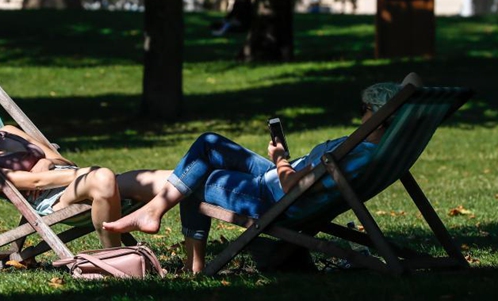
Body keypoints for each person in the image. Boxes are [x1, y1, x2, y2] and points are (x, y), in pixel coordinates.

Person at [104, 82, 403, 273]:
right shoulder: (378, 151)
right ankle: (155, 214)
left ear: (376, 116)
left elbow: (293, 187)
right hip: (278, 184)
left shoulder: (355, 154)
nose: (361, 114)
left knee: (200, 178)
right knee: (209, 143)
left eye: (364, 109)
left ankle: (188, 259)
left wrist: (279, 158)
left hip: (274, 197)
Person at [0, 88, 170, 249]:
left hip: (82, 182)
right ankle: (114, 256)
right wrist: (85, 173)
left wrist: (46, 162)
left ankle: (196, 262)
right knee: (103, 177)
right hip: (56, 200)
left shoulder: (8, 130)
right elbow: (35, 183)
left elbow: (61, 160)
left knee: (172, 178)